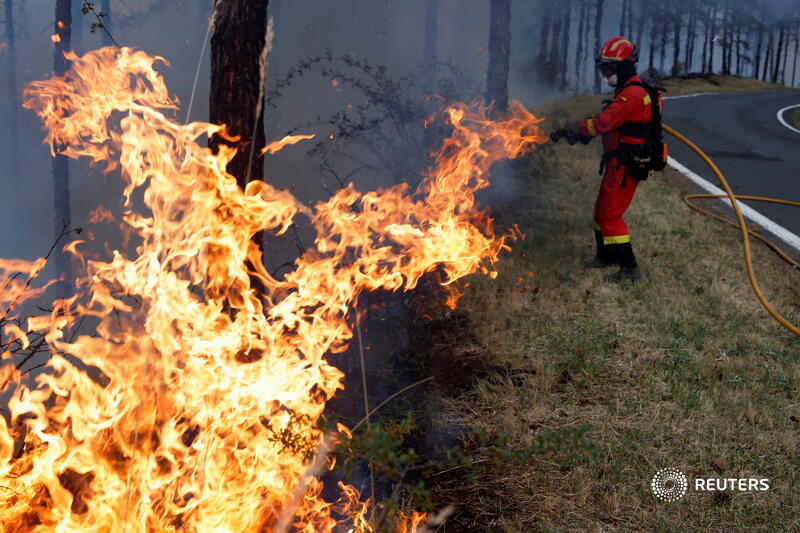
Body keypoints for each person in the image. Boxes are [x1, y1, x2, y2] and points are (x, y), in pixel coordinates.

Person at [559, 36, 657, 283]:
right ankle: (606, 256)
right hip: (618, 161)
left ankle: (630, 269)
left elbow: (603, 123)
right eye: (603, 68)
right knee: (601, 210)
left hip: (626, 164)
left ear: (625, 67)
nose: (606, 74)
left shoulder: (632, 96)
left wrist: (575, 128)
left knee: (611, 214)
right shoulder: (628, 91)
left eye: (610, 69)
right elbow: (611, 121)